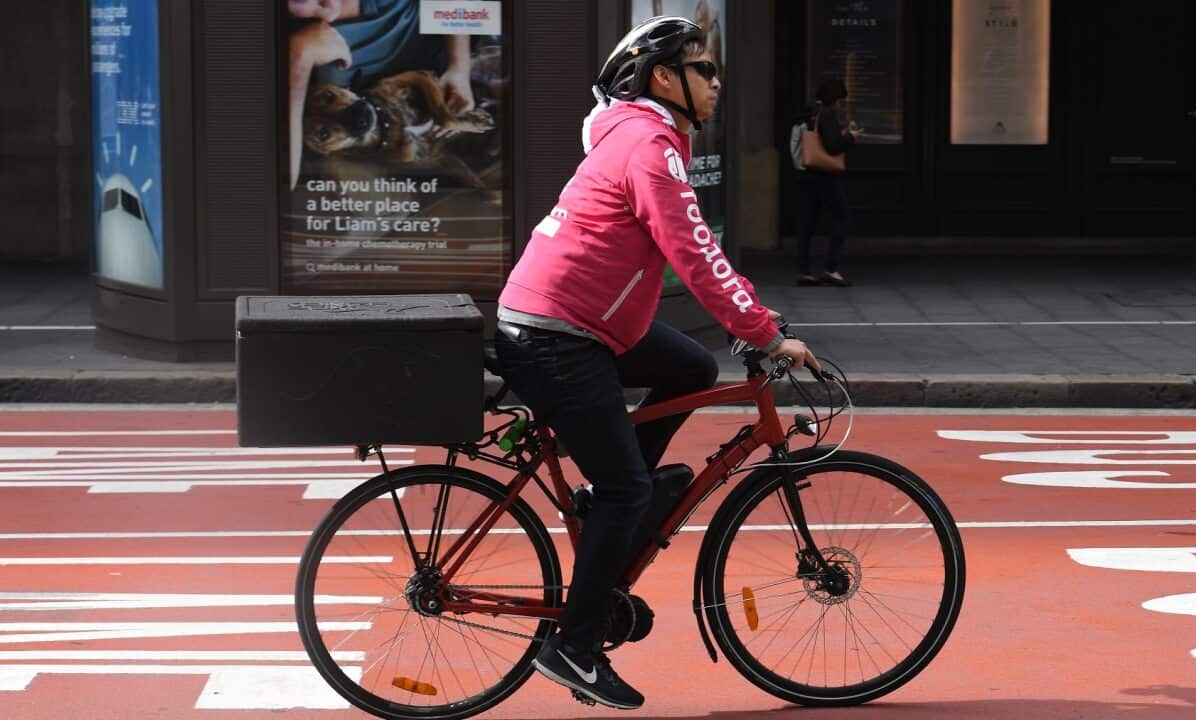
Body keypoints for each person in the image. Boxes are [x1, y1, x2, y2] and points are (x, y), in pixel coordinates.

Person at [492, 16, 820, 711]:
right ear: (664, 79)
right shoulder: (648, 144)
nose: (717, 81)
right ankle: (574, 649)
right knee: (627, 492)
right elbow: (693, 251)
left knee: (692, 369)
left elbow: (695, 251)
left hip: (580, 323)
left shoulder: (646, 136)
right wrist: (763, 332)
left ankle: (613, 500)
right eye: (705, 69)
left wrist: (751, 320)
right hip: (557, 334)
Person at [285, 0, 475, 189]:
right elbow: (283, 187)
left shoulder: (329, 63)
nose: (328, 9)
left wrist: (459, 66)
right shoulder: (330, 66)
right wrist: (301, 52)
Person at [794, 77, 861, 287]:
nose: (840, 104)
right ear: (834, 99)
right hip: (825, 175)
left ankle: (804, 271)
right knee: (842, 217)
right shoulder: (827, 115)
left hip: (808, 173)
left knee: (808, 222)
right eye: (840, 100)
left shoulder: (811, 113)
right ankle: (831, 268)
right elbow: (832, 146)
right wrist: (850, 137)